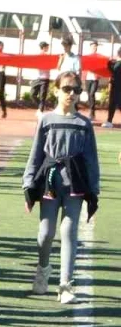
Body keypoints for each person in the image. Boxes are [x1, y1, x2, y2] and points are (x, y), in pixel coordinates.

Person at [23, 70, 99, 304]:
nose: (72, 94)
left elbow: (90, 159)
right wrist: (28, 182)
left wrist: (94, 187)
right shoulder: (46, 120)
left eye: (76, 90)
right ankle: (43, 270)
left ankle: (65, 283)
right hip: (51, 181)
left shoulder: (84, 124)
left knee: (68, 230)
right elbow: (36, 153)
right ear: (57, 90)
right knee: (45, 233)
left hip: (74, 183)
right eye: (67, 89)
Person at [33, 41, 52, 114]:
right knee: (33, 94)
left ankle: (41, 110)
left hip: (45, 78)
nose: (48, 48)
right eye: (47, 47)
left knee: (42, 96)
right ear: (44, 47)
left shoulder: (48, 57)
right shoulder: (38, 56)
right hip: (37, 78)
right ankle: (41, 106)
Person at [85, 41, 100, 120]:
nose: (94, 48)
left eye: (95, 46)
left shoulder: (99, 57)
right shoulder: (87, 56)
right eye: (93, 46)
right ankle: (92, 111)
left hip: (95, 78)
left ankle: (91, 112)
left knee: (91, 94)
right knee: (89, 95)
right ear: (90, 48)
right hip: (88, 78)